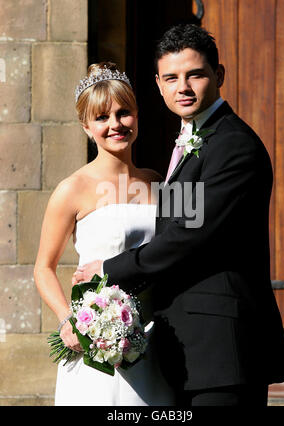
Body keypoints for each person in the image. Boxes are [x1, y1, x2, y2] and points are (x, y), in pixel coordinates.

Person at [72, 25, 284, 406]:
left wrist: (109, 270)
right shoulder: (192, 141)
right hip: (184, 353)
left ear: (219, 75)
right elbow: (171, 233)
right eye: (172, 78)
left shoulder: (234, 146)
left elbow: (188, 237)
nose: (184, 87)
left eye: (195, 74)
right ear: (158, 84)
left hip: (223, 352)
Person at [34, 62, 176, 406]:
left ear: (137, 116)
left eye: (123, 112)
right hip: (99, 345)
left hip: (158, 340)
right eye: (102, 117)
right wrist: (68, 319)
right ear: (86, 126)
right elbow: (43, 267)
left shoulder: (158, 182)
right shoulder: (72, 189)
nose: (115, 124)